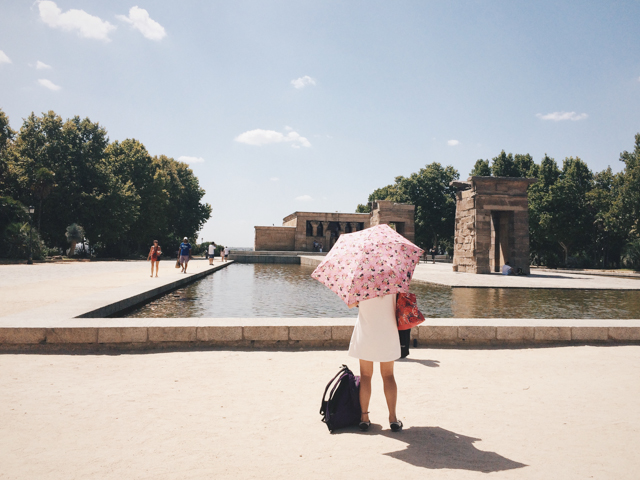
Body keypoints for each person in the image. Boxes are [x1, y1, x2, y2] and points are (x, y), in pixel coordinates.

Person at [348, 294, 403, 433]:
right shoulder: (392, 278)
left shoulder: (361, 279)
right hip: (387, 331)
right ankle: (393, 419)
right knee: (388, 375)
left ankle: (364, 418)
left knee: (366, 376)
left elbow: (350, 304)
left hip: (367, 332)